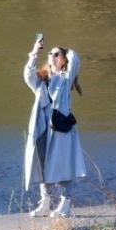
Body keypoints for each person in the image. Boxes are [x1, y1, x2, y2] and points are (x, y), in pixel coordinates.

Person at [23, 35, 87, 217]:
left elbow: (75, 58)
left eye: (57, 54)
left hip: (60, 131)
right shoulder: (41, 80)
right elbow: (27, 75)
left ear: (63, 60)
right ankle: (46, 202)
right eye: (51, 54)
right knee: (44, 164)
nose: (52, 56)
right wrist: (34, 53)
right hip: (42, 128)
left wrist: (65, 51)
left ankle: (65, 203)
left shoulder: (66, 80)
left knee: (64, 165)